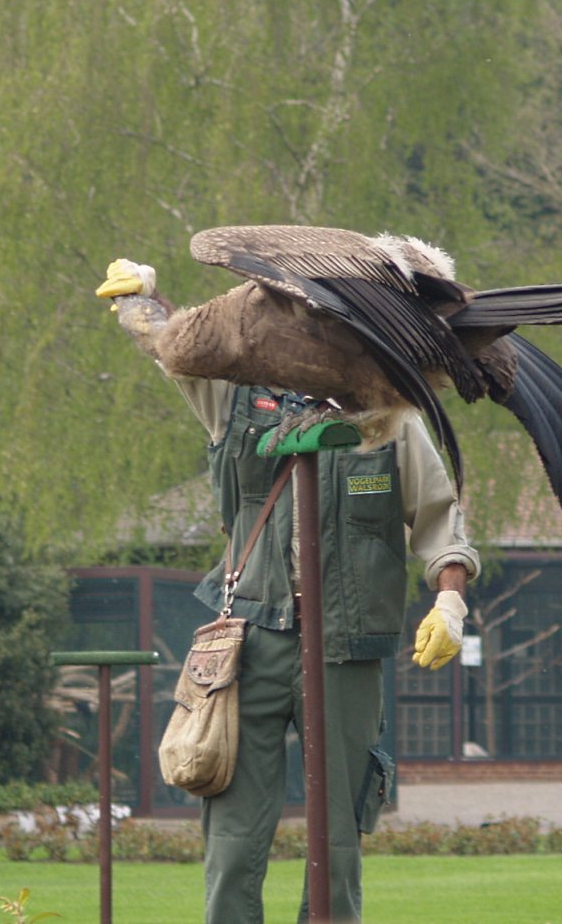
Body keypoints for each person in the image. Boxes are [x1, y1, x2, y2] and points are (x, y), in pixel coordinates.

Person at [98, 259, 480, 924]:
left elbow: (441, 520)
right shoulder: (231, 397)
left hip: (346, 645)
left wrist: (449, 600)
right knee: (233, 835)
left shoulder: (387, 412)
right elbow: (173, 345)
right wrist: (143, 298)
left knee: (338, 836)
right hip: (248, 644)